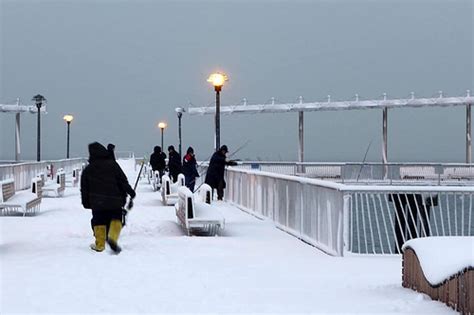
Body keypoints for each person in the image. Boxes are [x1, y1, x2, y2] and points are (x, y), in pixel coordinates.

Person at [80, 142, 136, 254]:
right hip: (115, 200)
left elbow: (84, 189)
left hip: (97, 202)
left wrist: (86, 203)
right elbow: (122, 180)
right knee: (116, 219)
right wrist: (130, 192)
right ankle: (113, 238)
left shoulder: (88, 169)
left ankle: (100, 244)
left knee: (98, 221)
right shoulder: (113, 165)